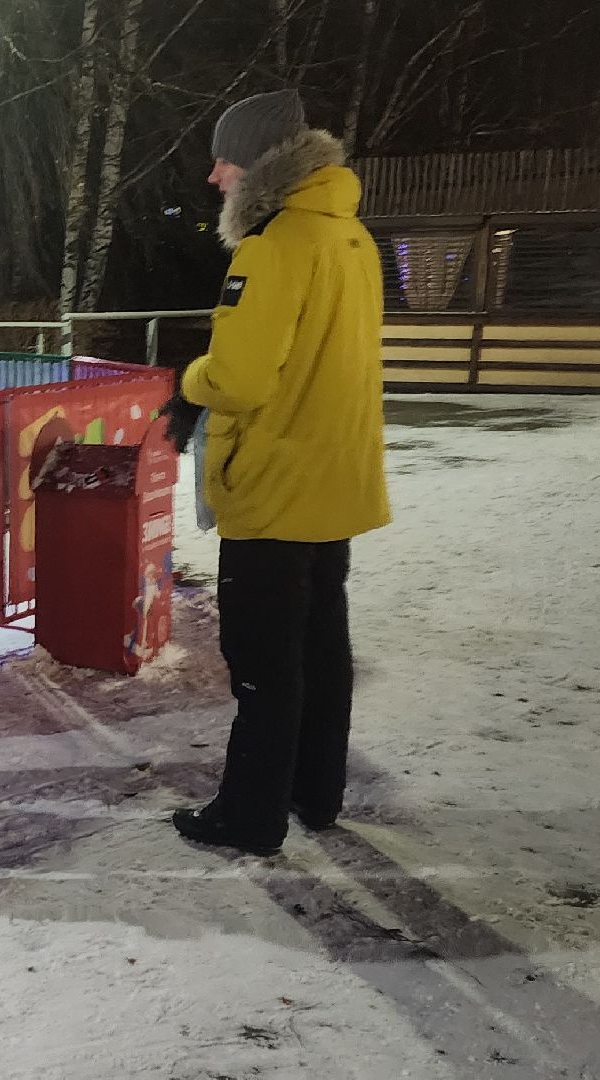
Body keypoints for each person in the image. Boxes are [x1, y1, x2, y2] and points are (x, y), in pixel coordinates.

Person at [167, 89, 393, 857]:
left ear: (259, 165)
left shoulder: (273, 246)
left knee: (263, 665)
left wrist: (186, 378)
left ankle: (248, 814)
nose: (214, 176)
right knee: (322, 651)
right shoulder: (350, 238)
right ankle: (314, 791)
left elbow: (237, 379)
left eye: (224, 160)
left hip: (274, 483)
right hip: (334, 479)